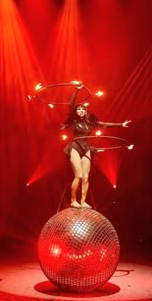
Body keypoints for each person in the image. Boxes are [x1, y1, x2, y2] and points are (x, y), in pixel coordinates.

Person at [62, 81, 131, 209]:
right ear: (76, 112)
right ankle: (73, 201)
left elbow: (103, 124)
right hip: (75, 147)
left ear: (85, 111)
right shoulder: (73, 121)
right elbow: (71, 105)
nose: (81, 110)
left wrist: (121, 124)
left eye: (83, 109)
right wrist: (76, 90)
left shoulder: (89, 122)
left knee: (86, 177)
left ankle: (83, 202)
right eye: (79, 109)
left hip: (86, 148)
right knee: (79, 175)